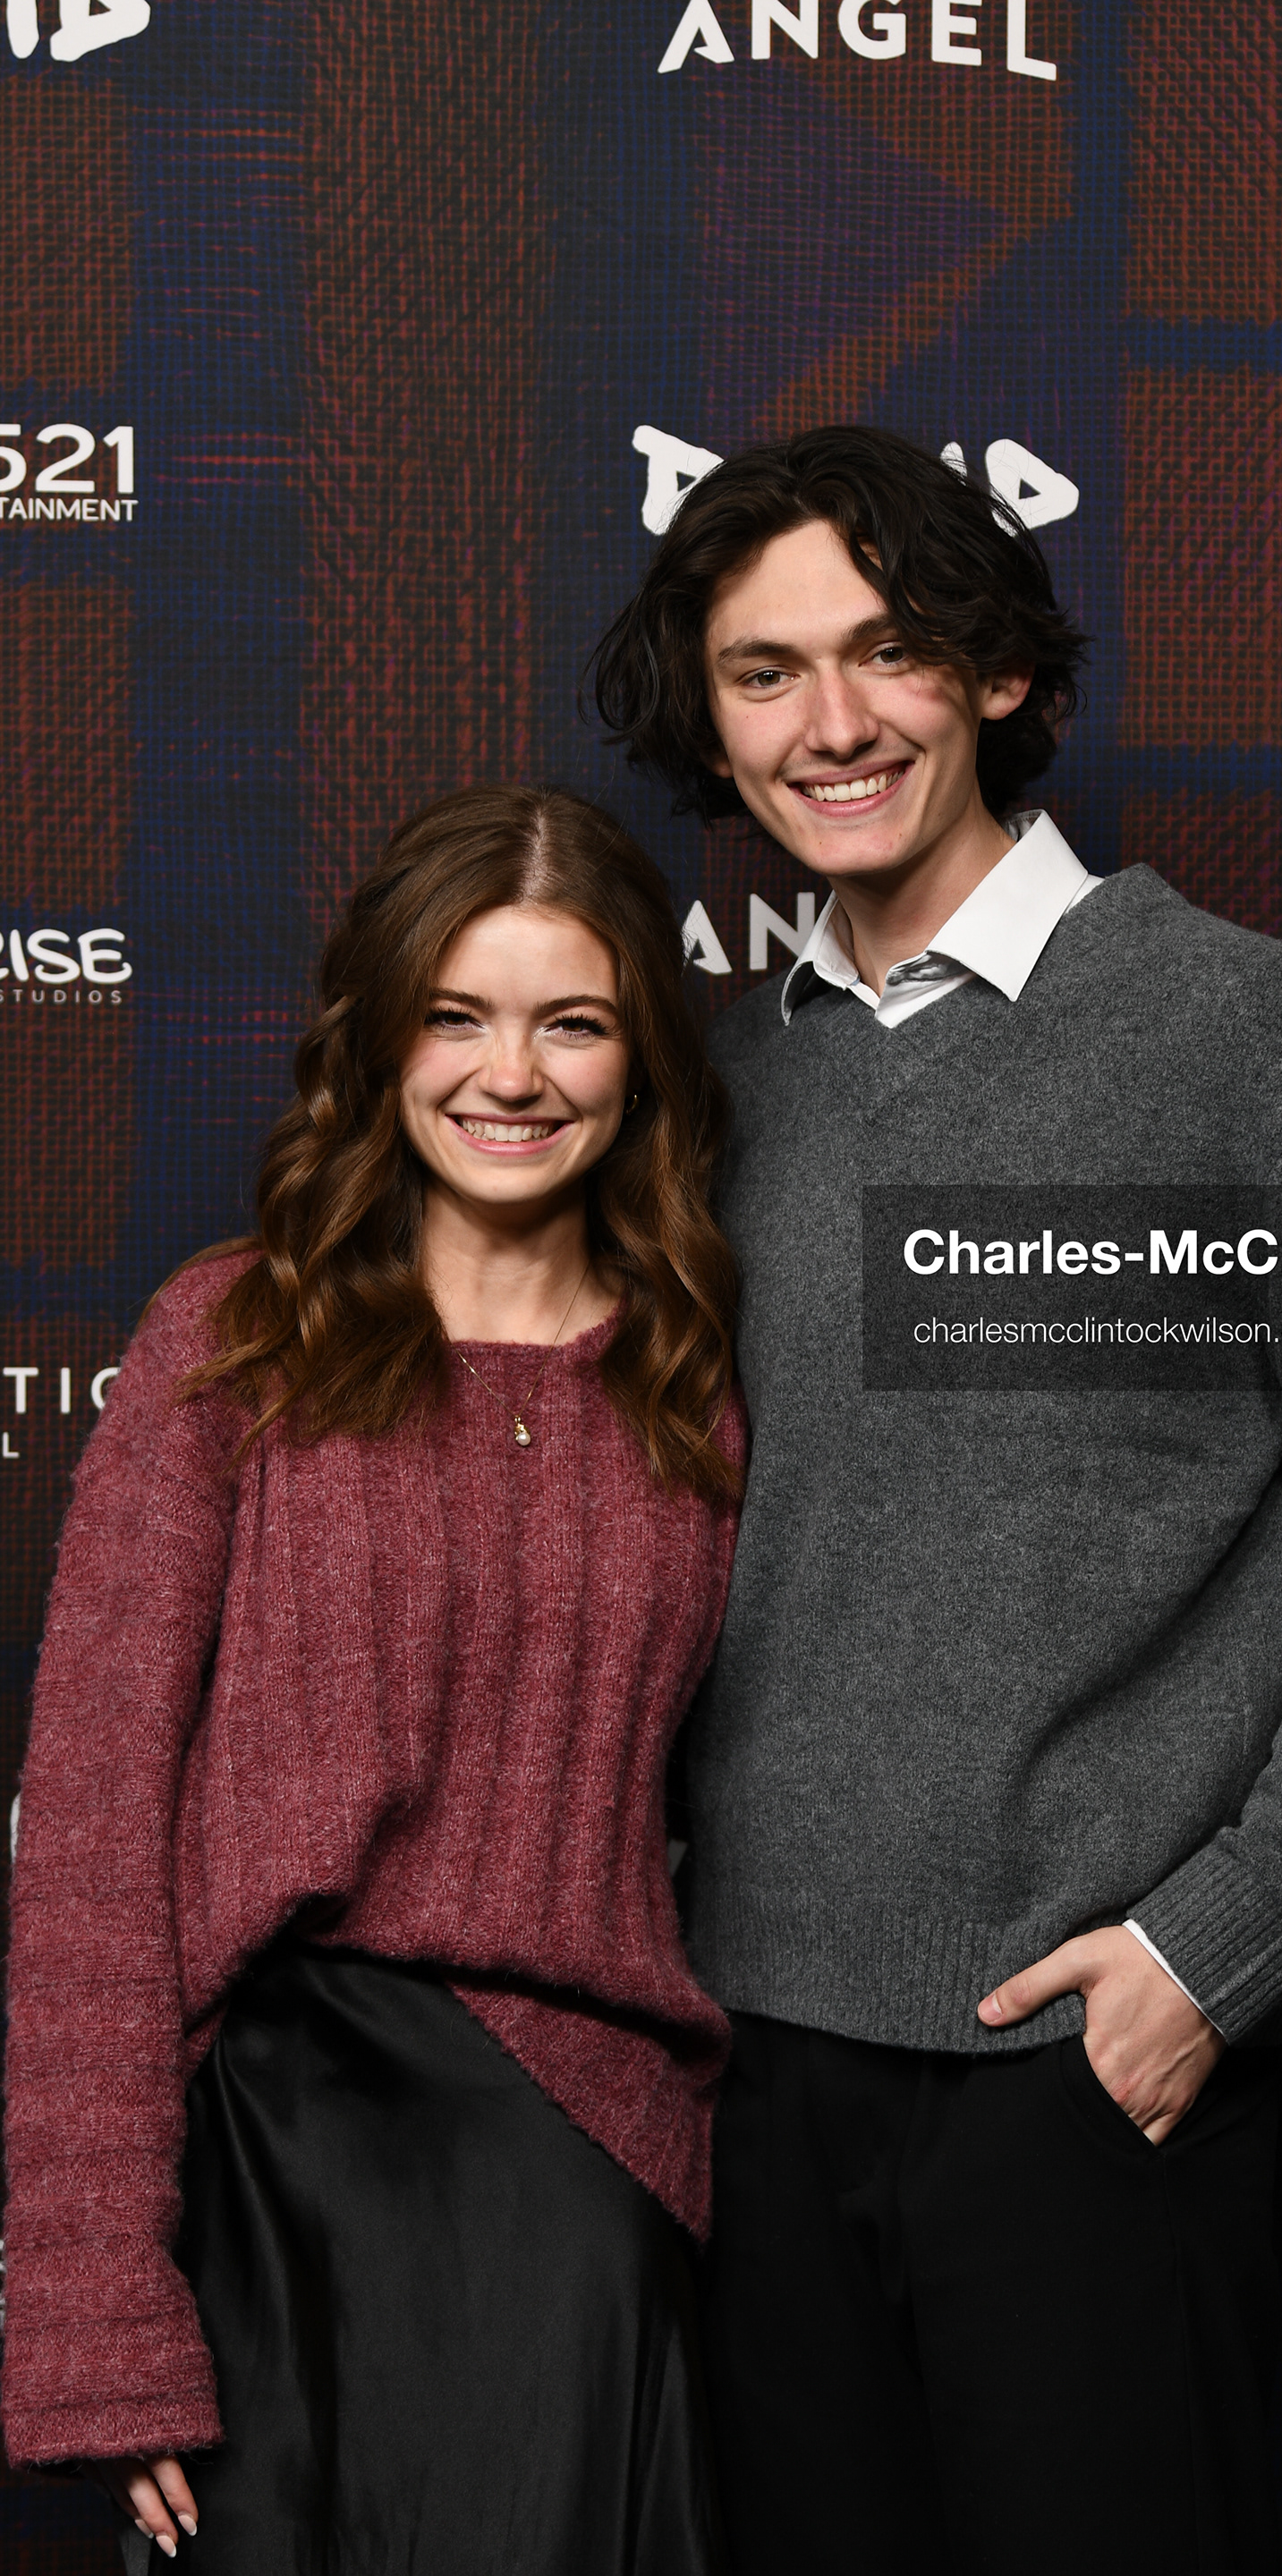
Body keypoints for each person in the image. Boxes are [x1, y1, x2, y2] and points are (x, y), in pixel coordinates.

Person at [590, 425, 1282, 2575]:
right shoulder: (724, 1087)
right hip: (748, 2063)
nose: (832, 725)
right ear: (708, 720)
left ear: (999, 672)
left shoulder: (1248, 1032)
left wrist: (1211, 1952)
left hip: (1075, 2076)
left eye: (890, 651)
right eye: (764, 674)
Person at [2, 786, 743, 2575]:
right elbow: (95, 1841)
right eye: (456, 1014)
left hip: (576, 2172)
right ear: (381, 1038)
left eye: (573, 1021)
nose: (513, 1074)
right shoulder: (235, 1340)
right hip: (265, 2162)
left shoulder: (704, 1384)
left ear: (641, 1058)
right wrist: (96, 2300)